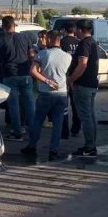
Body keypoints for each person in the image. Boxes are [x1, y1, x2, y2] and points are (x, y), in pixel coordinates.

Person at [22, 31, 72, 162]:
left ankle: (32, 146)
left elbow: (33, 71)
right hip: (61, 94)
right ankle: (54, 150)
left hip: (45, 93)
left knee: (38, 120)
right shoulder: (67, 57)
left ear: (49, 39)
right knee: (58, 123)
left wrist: (46, 81)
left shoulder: (43, 54)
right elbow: (68, 75)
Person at [68, 19, 100, 157]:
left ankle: (90, 147)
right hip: (91, 84)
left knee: (86, 116)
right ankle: (91, 144)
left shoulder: (84, 44)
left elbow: (82, 64)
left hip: (83, 84)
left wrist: (71, 79)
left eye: (76, 29)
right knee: (91, 116)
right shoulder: (93, 42)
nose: (75, 32)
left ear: (80, 30)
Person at [60, 23, 81, 139]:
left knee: (64, 105)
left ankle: (64, 131)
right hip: (76, 75)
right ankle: (76, 128)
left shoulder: (62, 42)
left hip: (64, 75)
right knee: (76, 104)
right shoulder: (79, 42)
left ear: (64, 30)